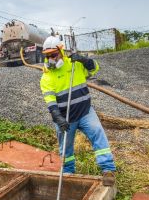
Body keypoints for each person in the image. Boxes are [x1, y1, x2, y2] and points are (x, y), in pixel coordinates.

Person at [40, 35, 117, 186]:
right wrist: (57, 117)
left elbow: (95, 68)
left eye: (53, 55)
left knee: (97, 133)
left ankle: (108, 170)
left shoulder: (74, 64)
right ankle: (68, 172)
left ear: (61, 52)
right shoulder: (46, 77)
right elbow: (50, 101)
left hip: (85, 112)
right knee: (65, 148)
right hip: (65, 118)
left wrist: (84, 60)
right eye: (48, 56)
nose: (51, 59)